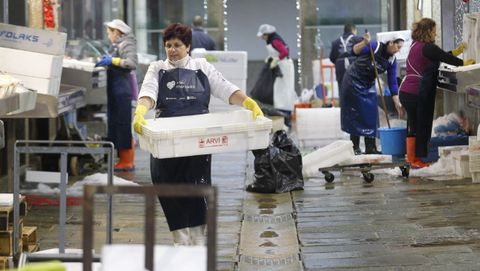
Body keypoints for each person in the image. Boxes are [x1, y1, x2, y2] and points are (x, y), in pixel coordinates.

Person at [132, 23, 263, 245]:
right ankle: (180, 240)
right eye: (168, 45)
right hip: (167, 139)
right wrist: (141, 110)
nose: (172, 50)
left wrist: (248, 102)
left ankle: (199, 240)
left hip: (197, 139)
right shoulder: (157, 68)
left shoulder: (202, 66)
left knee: (196, 187)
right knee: (165, 184)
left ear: (188, 46)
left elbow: (225, 88)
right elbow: (148, 91)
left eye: (177, 45)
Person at [399, 18, 475, 168]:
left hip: (407, 92)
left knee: (413, 125)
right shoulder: (427, 47)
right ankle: (416, 160)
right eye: (434, 31)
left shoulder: (417, 45)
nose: (436, 34)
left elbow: (438, 55)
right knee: (420, 126)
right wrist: (463, 63)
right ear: (428, 31)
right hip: (416, 92)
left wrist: (455, 52)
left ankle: (412, 158)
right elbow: (444, 57)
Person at [340, 31, 405, 155]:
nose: (398, 50)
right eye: (397, 46)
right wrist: (364, 42)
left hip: (368, 84)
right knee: (356, 113)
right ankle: (355, 148)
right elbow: (354, 51)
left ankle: (371, 148)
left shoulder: (392, 60)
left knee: (371, 114)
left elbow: (392, 82)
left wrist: (397, 102)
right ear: (391, 42)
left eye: (400, 48)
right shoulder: (375, 46)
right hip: (353, 80)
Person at [95, 19, 138, 171]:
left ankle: (127, 162)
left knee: (123, 124)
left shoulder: (127, 43)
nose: (108, 36)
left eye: (109, 33)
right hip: (116, 89)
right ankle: (124, 159)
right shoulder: (117, 45)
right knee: (117, 124)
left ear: (117, 32)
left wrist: (112, 60)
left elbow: (132, 62)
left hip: (122, 90)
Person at [257, 24, 297, 123]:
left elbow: (284, 52)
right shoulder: (270, 40)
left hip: (285, 66)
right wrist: (271, 58)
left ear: (267, 34)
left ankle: (287, 114)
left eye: (263, 35)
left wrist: (277, 59)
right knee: (279, 89)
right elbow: (275, 52)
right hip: (280, 66)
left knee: (286, 89)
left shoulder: (274, 40)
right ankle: (281, 112)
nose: (262, 37)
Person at [329, 23, 363, 90]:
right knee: (356, 92)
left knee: (343, 92)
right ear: (353, 30)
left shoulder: (335, 43)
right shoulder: (359, 40)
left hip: (340, 71)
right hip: (355, 69)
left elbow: (332, 58)